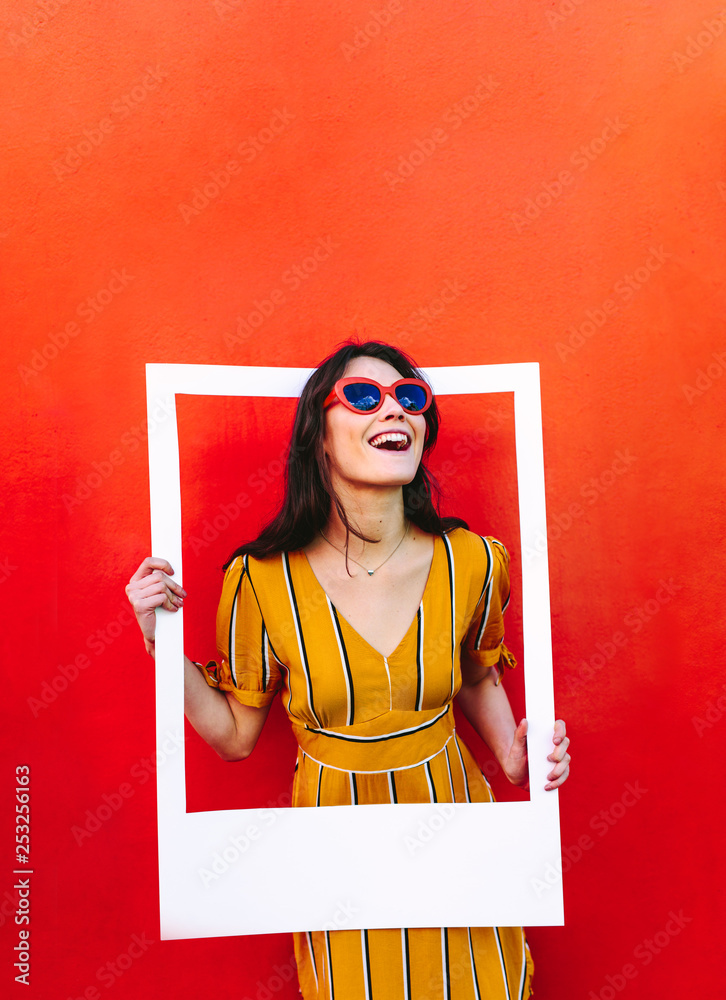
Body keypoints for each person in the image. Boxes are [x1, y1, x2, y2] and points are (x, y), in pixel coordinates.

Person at [126, 340, 571, 999]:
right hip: (337, 855)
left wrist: (516, 759)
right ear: (321, 438)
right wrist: (158, 636)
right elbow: (233, 737)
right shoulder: (260, 578)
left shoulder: (472, 560)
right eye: (364, 396)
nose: (394, 408)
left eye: (410, 397)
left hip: (458, 838)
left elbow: (477, 676)